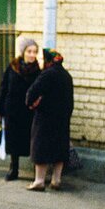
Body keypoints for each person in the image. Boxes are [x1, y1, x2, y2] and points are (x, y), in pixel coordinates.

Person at [24, 49, 74, 191]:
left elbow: (33, 91)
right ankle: (56, 180)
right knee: (59, 148)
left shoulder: (47, 74)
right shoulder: (67, 76)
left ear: (48, 60)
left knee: (41, 147)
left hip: (45, 118)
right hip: (62, 119)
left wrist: (30, 103)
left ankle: (39, 181)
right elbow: (70, 101)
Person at [0, 36, 40, 181]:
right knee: (13, 140)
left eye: (35, 52)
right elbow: (3, 88)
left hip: (29, 111)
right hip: (13, 110)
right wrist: (0, 110)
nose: (32, 55)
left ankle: (36, 172)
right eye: (29, 51)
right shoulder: (13, 67)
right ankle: (13, 169)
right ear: (23, 52)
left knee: (31, 140)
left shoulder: (37, 71)